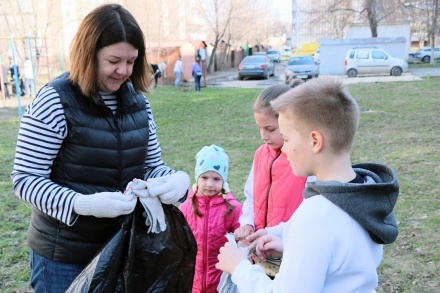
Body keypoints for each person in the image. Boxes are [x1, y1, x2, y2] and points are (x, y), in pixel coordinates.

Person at [11, 4, 190, 292]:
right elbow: (25, 181)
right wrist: (83, 204)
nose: (124, 71)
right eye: (114, 60)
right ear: (88, 54)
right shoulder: (54, 102)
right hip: (64, 257)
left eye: (131, 61)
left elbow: (150, 165)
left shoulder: (139, 104)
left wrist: (176, 181)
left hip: (121, 248)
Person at [216, 77, 399, 292]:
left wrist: (239, 268)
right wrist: (282, 237)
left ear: (315, 141)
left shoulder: (315, 217)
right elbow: (339, 255)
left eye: (287, 139)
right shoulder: (363, 197)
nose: (283, 150)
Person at [234, 84, 307, 246]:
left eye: (270, 129)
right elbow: (251, 198)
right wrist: (248, 224)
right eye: (259, 128)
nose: (263, 136)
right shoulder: (260, 155)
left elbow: (310, 216)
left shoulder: (305, 161)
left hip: (289, 249)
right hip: (260, 251)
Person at [179, 144, 242, 293]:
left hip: (221, 281)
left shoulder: (233, 208)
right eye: (204, 177)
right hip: (193, 280)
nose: (209, 184)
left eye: (216, 179)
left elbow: (242, 241)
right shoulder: (186, 206)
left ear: (224, 180)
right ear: (197, 177)